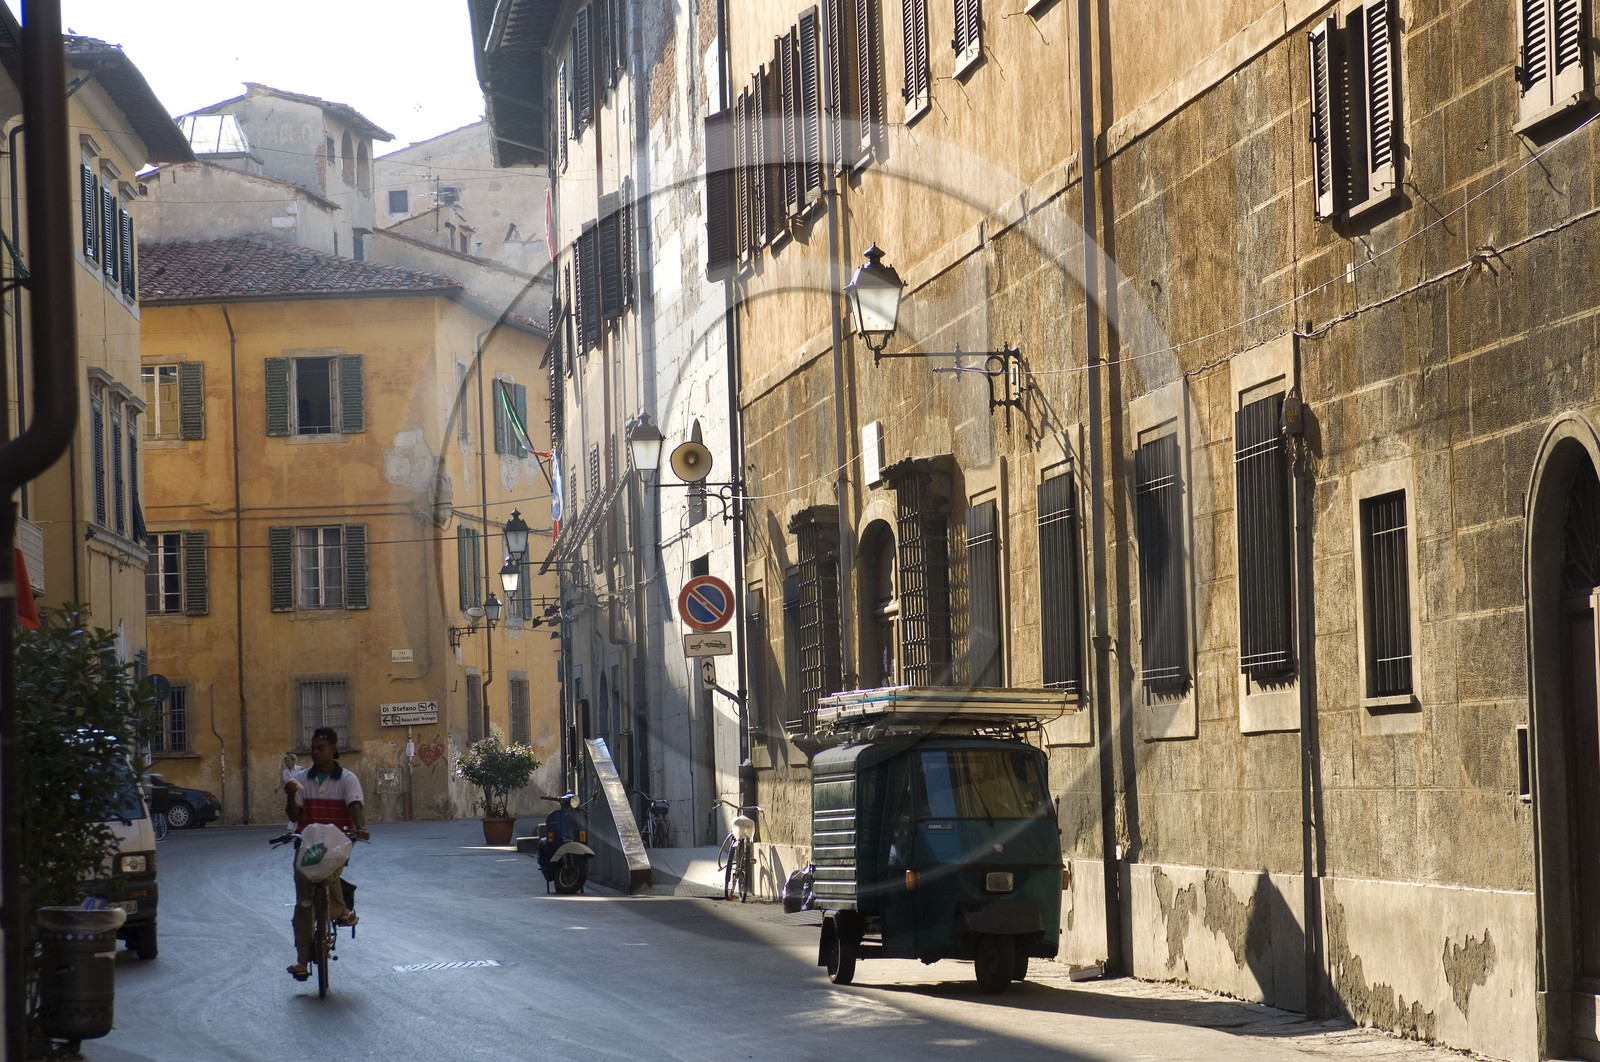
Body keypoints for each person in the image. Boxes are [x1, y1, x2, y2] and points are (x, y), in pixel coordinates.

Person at [283, 727, 368, 981]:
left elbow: (354, 805)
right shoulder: (301, 778)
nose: (315, 752)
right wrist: (289, 796)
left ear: (333, 750)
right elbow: (294, 816)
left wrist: (361, 828)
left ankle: (340, 909)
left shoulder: (347, 779)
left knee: (329, 869)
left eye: (321, 748)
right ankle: (301, 960)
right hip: (307, 846)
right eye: (313, 748)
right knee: (303, 903)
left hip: (336, 843)